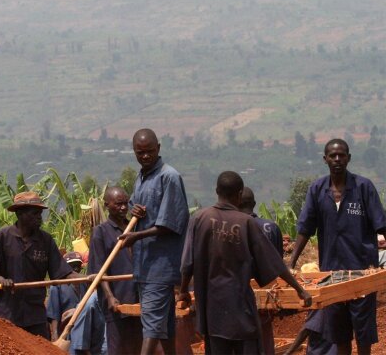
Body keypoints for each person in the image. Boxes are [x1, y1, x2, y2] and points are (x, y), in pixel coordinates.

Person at [179, 171, 311, 354]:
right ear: (239, 194)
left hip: (212, 314)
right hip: (241, 313)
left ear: (217, 190)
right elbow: (275, 263)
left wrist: (184, 291)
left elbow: (187, 264)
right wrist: (300, 290)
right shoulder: (246, 223)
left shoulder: (198, 219)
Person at [289, 138, 386, 355]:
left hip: (362, 273)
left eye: (342, 155)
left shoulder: (363, 188)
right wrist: (291, 262)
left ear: (348, 158)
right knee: (339, 336)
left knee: (363, 336)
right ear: (325, 159)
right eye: (332, 155)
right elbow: (305, 228)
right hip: (331, 276)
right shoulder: (317, 189)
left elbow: (382, 225)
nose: (337, 159)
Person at [118, 128, 190, 355]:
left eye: (149, 151)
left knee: (150, 327)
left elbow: (170, 223)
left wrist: (137, 236)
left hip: (161, 267)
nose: (145, 156)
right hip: (144, 266)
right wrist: (134, 210)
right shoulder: (140, 178)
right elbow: (140, 211)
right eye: (140, 153)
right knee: (164, 327)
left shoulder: (169, 177)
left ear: (158, 148)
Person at [0, 191, 85, 339]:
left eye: (40, 213)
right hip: (6, 312)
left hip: (35, 314)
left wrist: (88, 278)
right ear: (20, 214)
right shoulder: (1, 237)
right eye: (34, 213)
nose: (39, 218)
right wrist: (2, 280)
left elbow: (63, 272)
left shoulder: (45, 240)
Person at [88, 186, 142, 354]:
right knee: (118, 346)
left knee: (138, 345)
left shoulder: (135, 227)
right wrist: (110, 297)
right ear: (107, 205)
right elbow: (99, 270)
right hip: (117, 299)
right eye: (118, 204)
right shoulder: (100, 232)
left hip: (139, 297)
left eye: (125, 204)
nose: (123, 208)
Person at [238, 186, 283, 354]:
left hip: (239, 295)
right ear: (254, 204)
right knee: (264, 335)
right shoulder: (271, 227)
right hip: (266, 292)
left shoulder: (232, 227)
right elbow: (277, 264)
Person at [47, 252, 87, 341]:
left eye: (78, 265)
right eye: (72, 266)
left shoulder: (85, 283)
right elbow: (54, 313)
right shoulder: (57, 285)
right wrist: (55, 335)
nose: (76, 268)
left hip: (84, 328)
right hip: (66, 330)